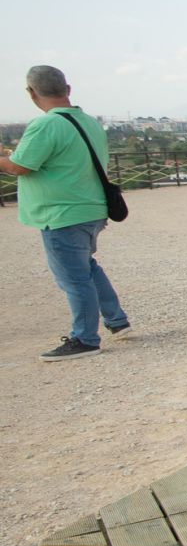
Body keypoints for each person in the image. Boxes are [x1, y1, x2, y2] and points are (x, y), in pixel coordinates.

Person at [0, 65, 131, 359]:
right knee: (86, 267)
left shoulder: (46, 125)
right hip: (91, 207)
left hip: (61, 213)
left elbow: (21, 166)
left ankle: (85, 339)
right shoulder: (88, 122)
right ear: (67, 89)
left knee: (74, 278)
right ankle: (116, 320)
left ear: (31, 93)